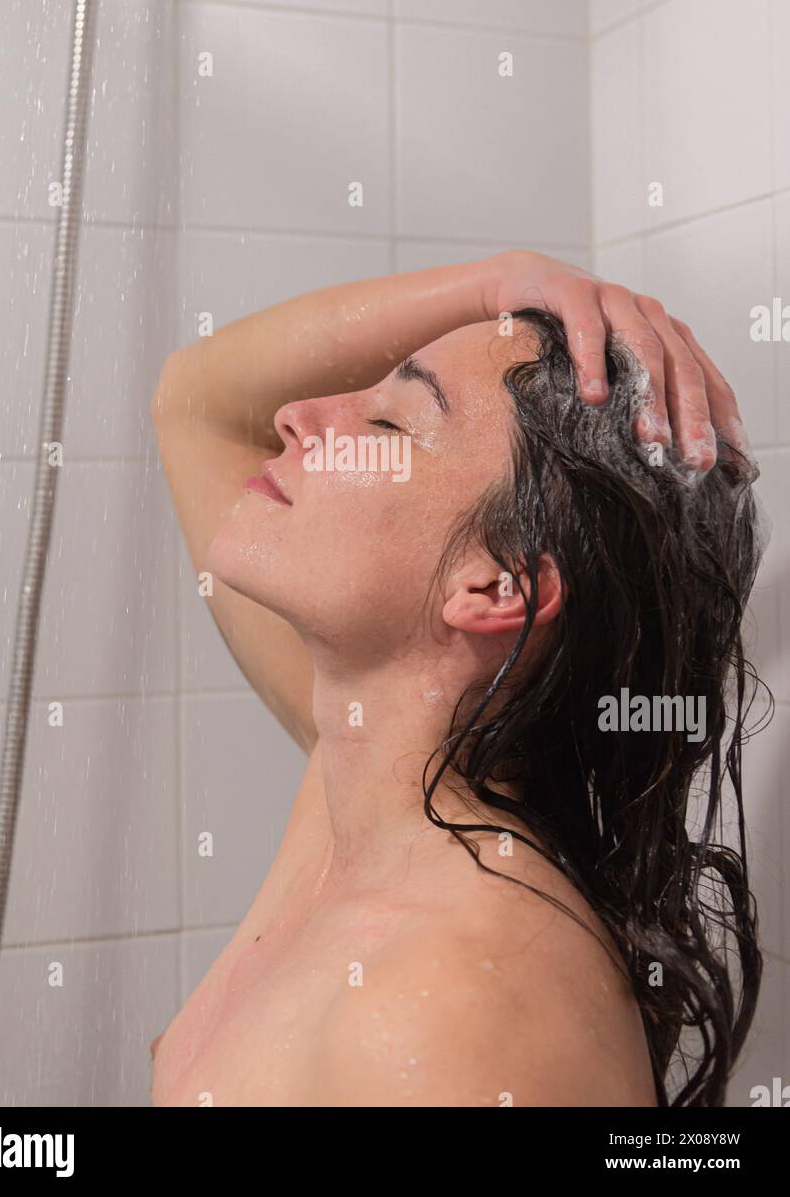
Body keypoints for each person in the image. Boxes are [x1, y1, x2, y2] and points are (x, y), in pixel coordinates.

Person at [149, 249, 764, 1107]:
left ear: (495, 586)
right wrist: (501, 283)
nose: (294, 417)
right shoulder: (357, 785)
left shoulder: (453, 1008)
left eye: (388, 426)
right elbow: (197, 401)